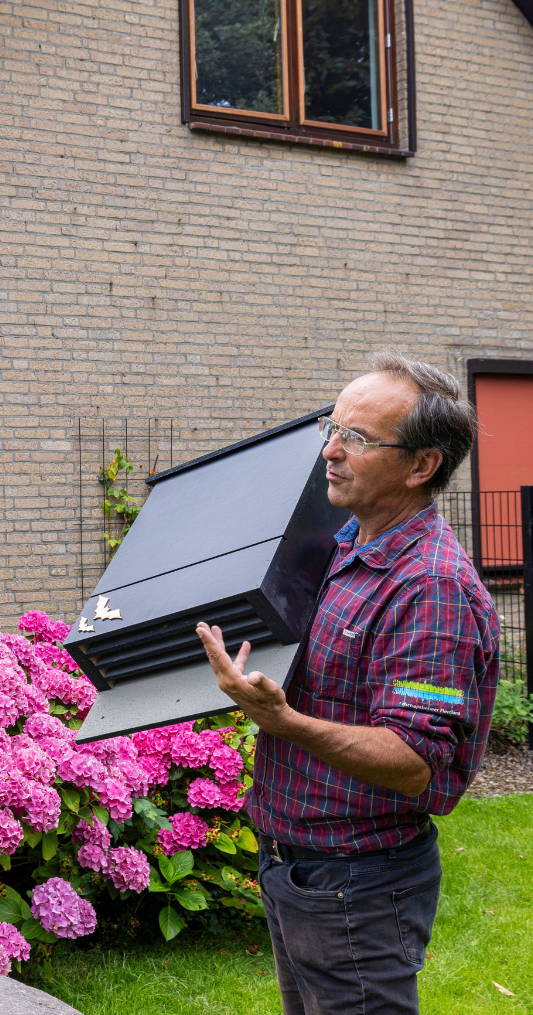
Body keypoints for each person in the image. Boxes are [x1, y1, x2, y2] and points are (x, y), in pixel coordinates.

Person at [197, 352, 498, 1015]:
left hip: (357, 885)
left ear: (423, 466)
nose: (331, 451)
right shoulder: (347, 545)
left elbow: (418, 762)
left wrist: (285, 723)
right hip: (296, 868)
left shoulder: (431, 590)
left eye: (358, 439)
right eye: (331, 430)